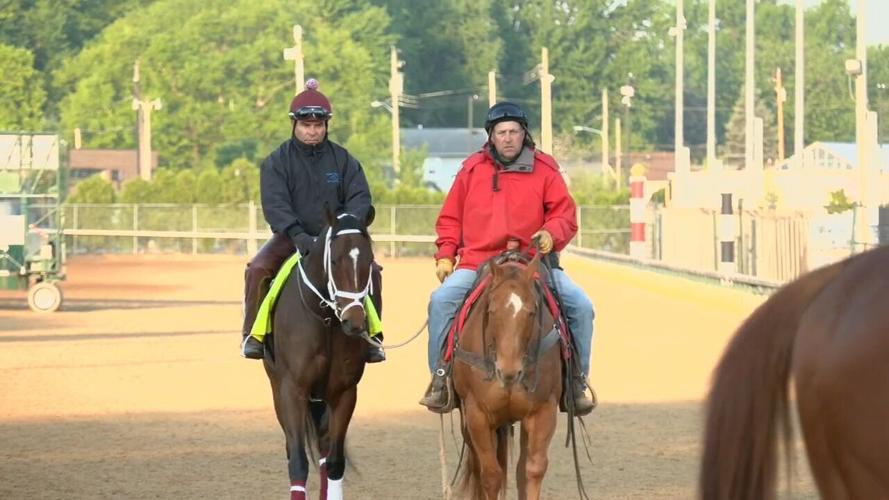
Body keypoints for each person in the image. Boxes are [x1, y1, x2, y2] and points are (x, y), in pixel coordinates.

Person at [419, 101, 596, 415]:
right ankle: (441, 378)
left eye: (514, 131)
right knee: (441, 301)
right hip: (479, 262)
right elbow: (451, 218)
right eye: (501, 132)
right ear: (491, 136)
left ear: (524, 133)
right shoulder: (471, 170)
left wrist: (550, 234)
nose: (508, 138)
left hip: (533, 264)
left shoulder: (546, 169)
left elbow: (564, 215)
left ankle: (576, 381)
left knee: (581, 306)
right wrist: (446, 254)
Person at [239, 79, 385, 363]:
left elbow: (360, 198)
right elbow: (275, 205)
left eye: (318, 125)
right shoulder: (277, 162)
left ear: (326, 125)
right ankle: (252, 335)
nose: (312, 131)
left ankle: (372, 338)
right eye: (306, 125)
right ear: (294, 124)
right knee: (257, 268)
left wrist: (345, 226)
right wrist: (300, 236)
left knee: (374, 271)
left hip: (338, 239)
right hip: (292, 237)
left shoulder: (344, 160)